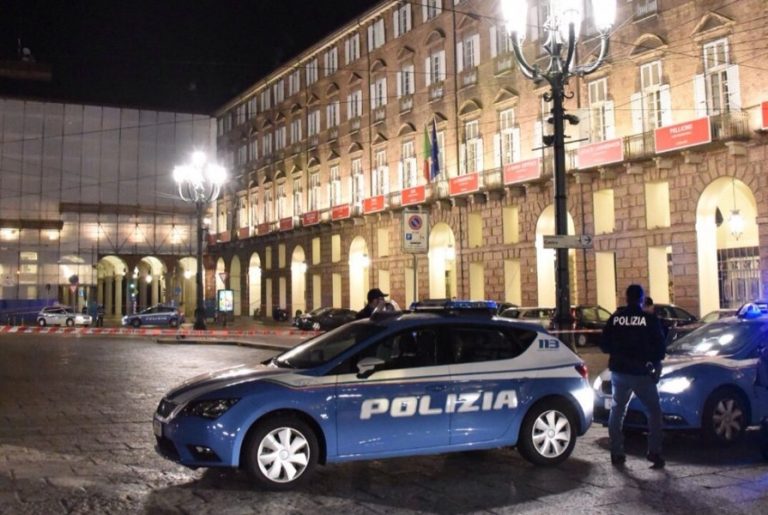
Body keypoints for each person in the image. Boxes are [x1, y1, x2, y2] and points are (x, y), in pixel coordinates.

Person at [600, 284, 666, 469]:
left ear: (626, 298)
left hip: (619, 372)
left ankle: (616, 452)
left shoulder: (616, 318)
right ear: (641, 299)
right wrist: (653, 362)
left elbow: (604, 345)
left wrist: (618, 351)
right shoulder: (649, 319)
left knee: (617, 410)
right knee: (654, 412)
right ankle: (654, 451)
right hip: (641, 373)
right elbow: (660, 348)